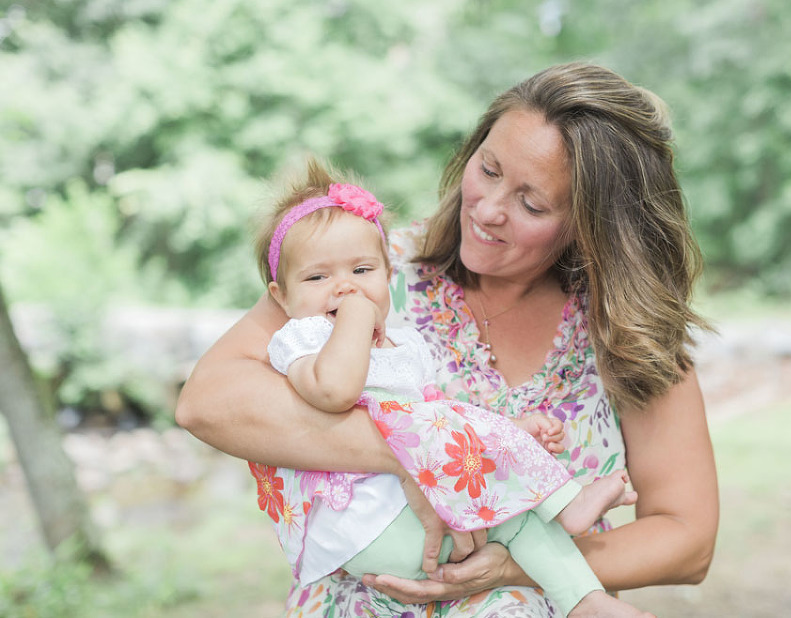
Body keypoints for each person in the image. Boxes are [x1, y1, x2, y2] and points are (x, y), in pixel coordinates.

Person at [177, 61, 719, 617]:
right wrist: (421, 456)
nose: (486, 210)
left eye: (531, 204)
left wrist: (518, 565)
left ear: (592, 223)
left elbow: (688, 538)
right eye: (487, 169)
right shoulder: (360, 274)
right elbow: (207, 403)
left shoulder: (624, 331)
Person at [252, 164, 648, 617]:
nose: (344, 287)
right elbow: (336, 393)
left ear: (388, 274)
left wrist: (508, 433)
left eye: (362, 270)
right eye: (317, 278)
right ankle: (569, 503)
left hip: (418, 510)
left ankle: (586, 600)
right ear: (280, 296)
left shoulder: (401, 344)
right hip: (373, 525)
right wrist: (357, 319)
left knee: (517, 522)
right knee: (507, 517)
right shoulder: (300, 341)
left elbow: (440, 416)